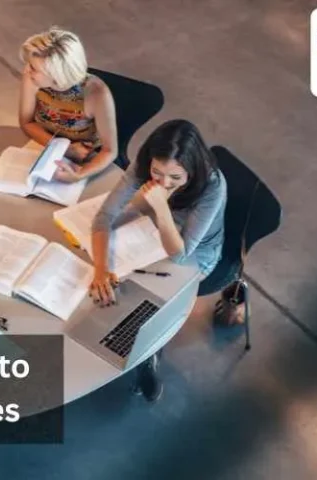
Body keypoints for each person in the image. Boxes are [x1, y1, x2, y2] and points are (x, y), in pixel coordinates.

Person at [89, 119, 227, 401]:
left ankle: (148, 354)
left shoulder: (213, 185)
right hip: (156, 227)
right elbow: (104, 217)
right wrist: (101, 269)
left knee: (145, 297)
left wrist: (161, 207)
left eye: (175, 177)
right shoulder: (145, 164)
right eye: (157, 173)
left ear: (192, 170)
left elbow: (181, 254)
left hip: (196, 253)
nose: (164, 183)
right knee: (113, 279)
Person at [19, 27, 118, 183]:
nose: (26, 70)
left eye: (33, 68)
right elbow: (26, 123)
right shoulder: (32, 80)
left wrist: (79, 175)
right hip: (45, 145)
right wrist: (64, 148)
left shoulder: (97, 94)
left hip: (85, 157)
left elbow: (110, 151)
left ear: (56, 74)